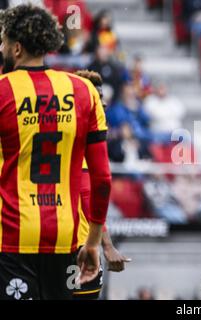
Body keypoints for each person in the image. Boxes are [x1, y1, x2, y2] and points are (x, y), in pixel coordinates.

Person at [0, 4, 111, 299]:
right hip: (67, 237)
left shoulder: (2, 91)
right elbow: (101, 179)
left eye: (3, 41)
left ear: (17, 48)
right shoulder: (84, 91)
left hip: (12, 238)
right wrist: (94, 241)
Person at [72, 70, 131, 300]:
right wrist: (106, 246)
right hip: (77, 248)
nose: (104, 104)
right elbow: (88, 198)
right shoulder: (78, 145)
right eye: (97, 98)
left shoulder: (86, 142)